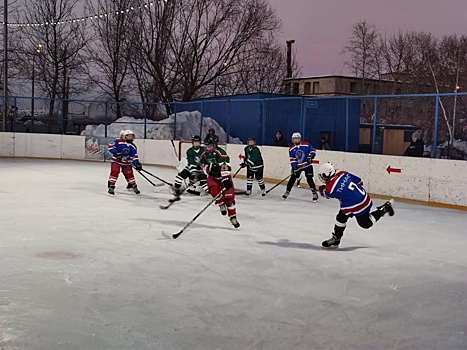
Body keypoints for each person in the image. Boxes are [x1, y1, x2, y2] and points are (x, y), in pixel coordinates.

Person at [317, 162, 394, 249]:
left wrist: (321, 189)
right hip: (365, 198)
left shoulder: (329, 189)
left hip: (354, 206)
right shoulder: (343, 173)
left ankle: (383, 209)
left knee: (358, 222)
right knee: (346, 218)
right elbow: (360, 182)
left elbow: (326, 194)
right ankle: (336, 239)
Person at [200, 137, 240, 228]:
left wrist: (225, 179)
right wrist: (209, 169)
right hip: (213, 178)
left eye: (210, 146)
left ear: (214, 145)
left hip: (223, 176)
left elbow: (226, 165)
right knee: (214, 191)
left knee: (229, 198)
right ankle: (221, 203)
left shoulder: (220, 153)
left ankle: (233, 217)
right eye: (207, 146)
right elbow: (203, 166)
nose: (208, 148)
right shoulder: (204, 155)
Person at [282, 132, 319, 202]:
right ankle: (287, 191)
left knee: (309, 179)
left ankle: (314, 193)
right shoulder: (291, 149)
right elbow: (292, 159)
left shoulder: (306, 145)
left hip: (307, 165)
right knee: (292, 178)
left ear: (300, 139)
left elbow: (313, 150)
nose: (296, 140)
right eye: (294, 139)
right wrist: (294, 167)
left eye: (297, 139)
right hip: (298, 166)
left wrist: (311, 156)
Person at [107, 130, 143, 195]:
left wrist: (137, 163)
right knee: (115, 172)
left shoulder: (133, 146)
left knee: (129, 174)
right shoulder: (118, 141)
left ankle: (133, 186)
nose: (131, 138)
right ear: (124, 136)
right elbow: (110, 147)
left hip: (126, 163)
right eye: (129, 136)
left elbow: (134, 155)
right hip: (116, 161)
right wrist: (116, 153)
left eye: (132, 136)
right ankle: (111, 187)